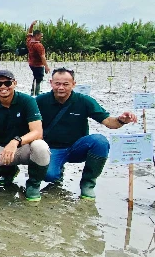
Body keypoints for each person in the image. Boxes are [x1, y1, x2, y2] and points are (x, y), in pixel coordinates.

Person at [36, 67, 138, 199]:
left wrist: (121, 120)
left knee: (100, 141)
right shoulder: (40, 101)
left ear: (73, 84)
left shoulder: (84, 101)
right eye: (57, 83)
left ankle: (88, 183)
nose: (61, 87)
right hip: (51, 149)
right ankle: (57, 174)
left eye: (66, 84)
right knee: (49, 176)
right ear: (51, 83)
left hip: (77, 147)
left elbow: (108, 122)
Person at [0, 69, 51, 201]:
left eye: (7, 83)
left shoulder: (27, 101)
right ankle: (9, 172)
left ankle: (33, 184)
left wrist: (16, 141)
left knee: (41, 146)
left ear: (14, 83)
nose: (3, 87)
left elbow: (37, 132)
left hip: (26, 146)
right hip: (3, 149)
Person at [26, 20, 50, 96]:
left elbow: (29, 33)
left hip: (31, 63)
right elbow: (42, 57)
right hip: (38, 65)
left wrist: (31, 25)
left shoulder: (29, 41)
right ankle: (36, 93)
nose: (41, 37)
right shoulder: (39, 45)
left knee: (35, 77)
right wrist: (46, 67)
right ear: (36, 36)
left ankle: (33, 91)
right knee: (39, 79)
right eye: (40, 36)